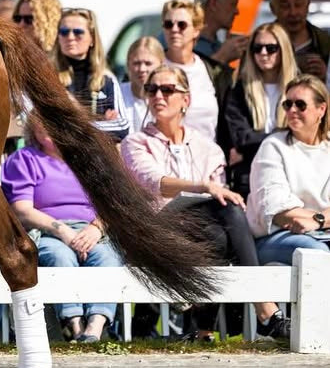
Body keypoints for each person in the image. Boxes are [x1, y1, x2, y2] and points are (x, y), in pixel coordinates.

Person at [120, 65, 288, 340]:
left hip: (200, 232)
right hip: (157, 229)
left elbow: (217, 195)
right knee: (225, 214)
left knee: (221, 232)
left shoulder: (207, 147)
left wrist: (211, 190)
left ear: (186, 100)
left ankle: (202, 331)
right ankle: (264, 309)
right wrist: (205, 186)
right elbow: (154, 182)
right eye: (152, 90)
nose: (158, 96)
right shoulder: (135, 143)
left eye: (167, 89)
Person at [2, 117, 122, 343]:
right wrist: (63, 231)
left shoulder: (88, 161)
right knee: (60, 256)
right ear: (32, 127)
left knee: (107, 257)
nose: (48, 125)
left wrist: (97, 227)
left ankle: (95, 330)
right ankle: (75, 328)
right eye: (41, 120)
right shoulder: (25, 159)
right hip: (46, 231)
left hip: (92, 231)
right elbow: (22, 210)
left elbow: (112, 205)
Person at [246, 75, 330, 265]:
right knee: (317, 253)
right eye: (287, 104)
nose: (292, 110)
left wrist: (318, 221)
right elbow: (279, 212)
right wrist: (323, 218)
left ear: (321, 109)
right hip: (276, 238)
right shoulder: (273, 146)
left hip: (323, 232)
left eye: (300, 105)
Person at [218, 23, 298, 198]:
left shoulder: (299, 88)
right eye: (257, 48)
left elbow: (306, 133)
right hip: (252, 178)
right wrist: (287, 135)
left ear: (283, 50)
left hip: (294, 174)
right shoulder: (240, 89)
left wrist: (247, 151)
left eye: (270, 48)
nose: (263, 53)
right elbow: (242, 139)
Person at [54, 7, 128, 141]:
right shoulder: (50, 77)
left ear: (92, 38)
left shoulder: (106, 79)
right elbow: (47, 125)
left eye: (78, 32)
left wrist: (77, 126)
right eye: (64, 32)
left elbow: (122, 127)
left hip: (95, 158)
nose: (70, 37)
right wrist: (101, 124)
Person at [161, 0, 227, 142]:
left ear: (196, 30)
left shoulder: (212, 71)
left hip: (207, 157)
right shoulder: (154, 68)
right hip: (163, 156)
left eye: (182, 25)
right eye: (168, 24)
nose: (174, 30)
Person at [269, 0, 330, 79]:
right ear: (273, 9)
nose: (293, 12)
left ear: (307, 5)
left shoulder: (325, 44)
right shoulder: (260, 46)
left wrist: (326, 76)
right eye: (285, 6)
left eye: (298, 4)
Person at [193, 0, 249, 65]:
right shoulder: (178, 40)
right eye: (233, 4)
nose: (237, 11)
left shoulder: (218, 46)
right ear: (213, 4)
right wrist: (222, 57)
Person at [119, 37, 165, 133]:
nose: (142, 69)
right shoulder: (117, 94)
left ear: (161, 65)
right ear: (128, 65)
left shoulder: (167, 96)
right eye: (136, 63)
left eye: (148, 63)